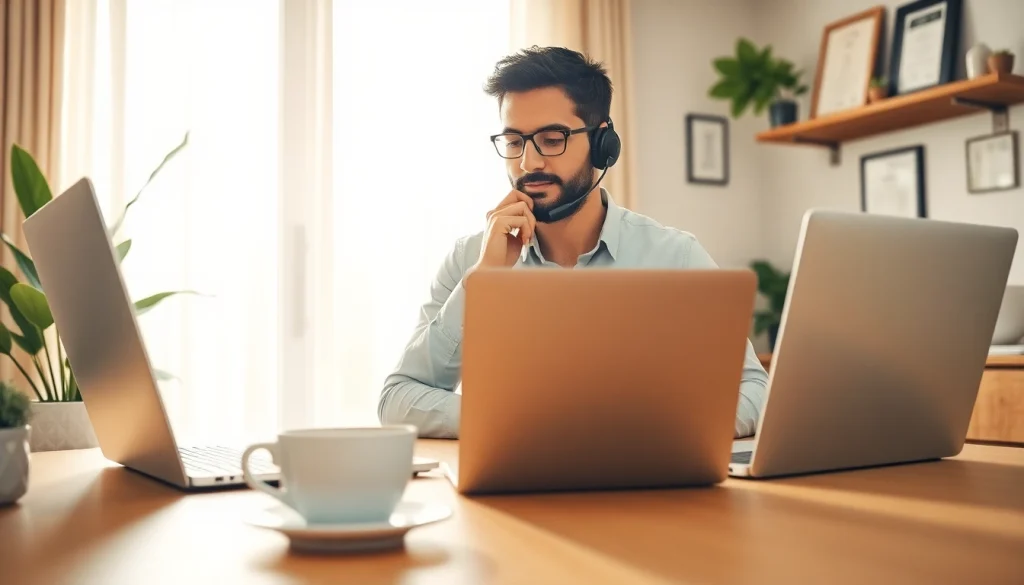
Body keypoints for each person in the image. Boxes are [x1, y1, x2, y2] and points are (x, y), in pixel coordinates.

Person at [378, 46, 767, 439]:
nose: (529, 162)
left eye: (552, 139)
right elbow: (397, 399)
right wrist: (483, 283)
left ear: (603, 145)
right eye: (514, 142)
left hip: (642, 491)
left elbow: (755, 391)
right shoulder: (470, 259)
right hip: (513, 490)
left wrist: (642, 427)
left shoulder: (676, 256)